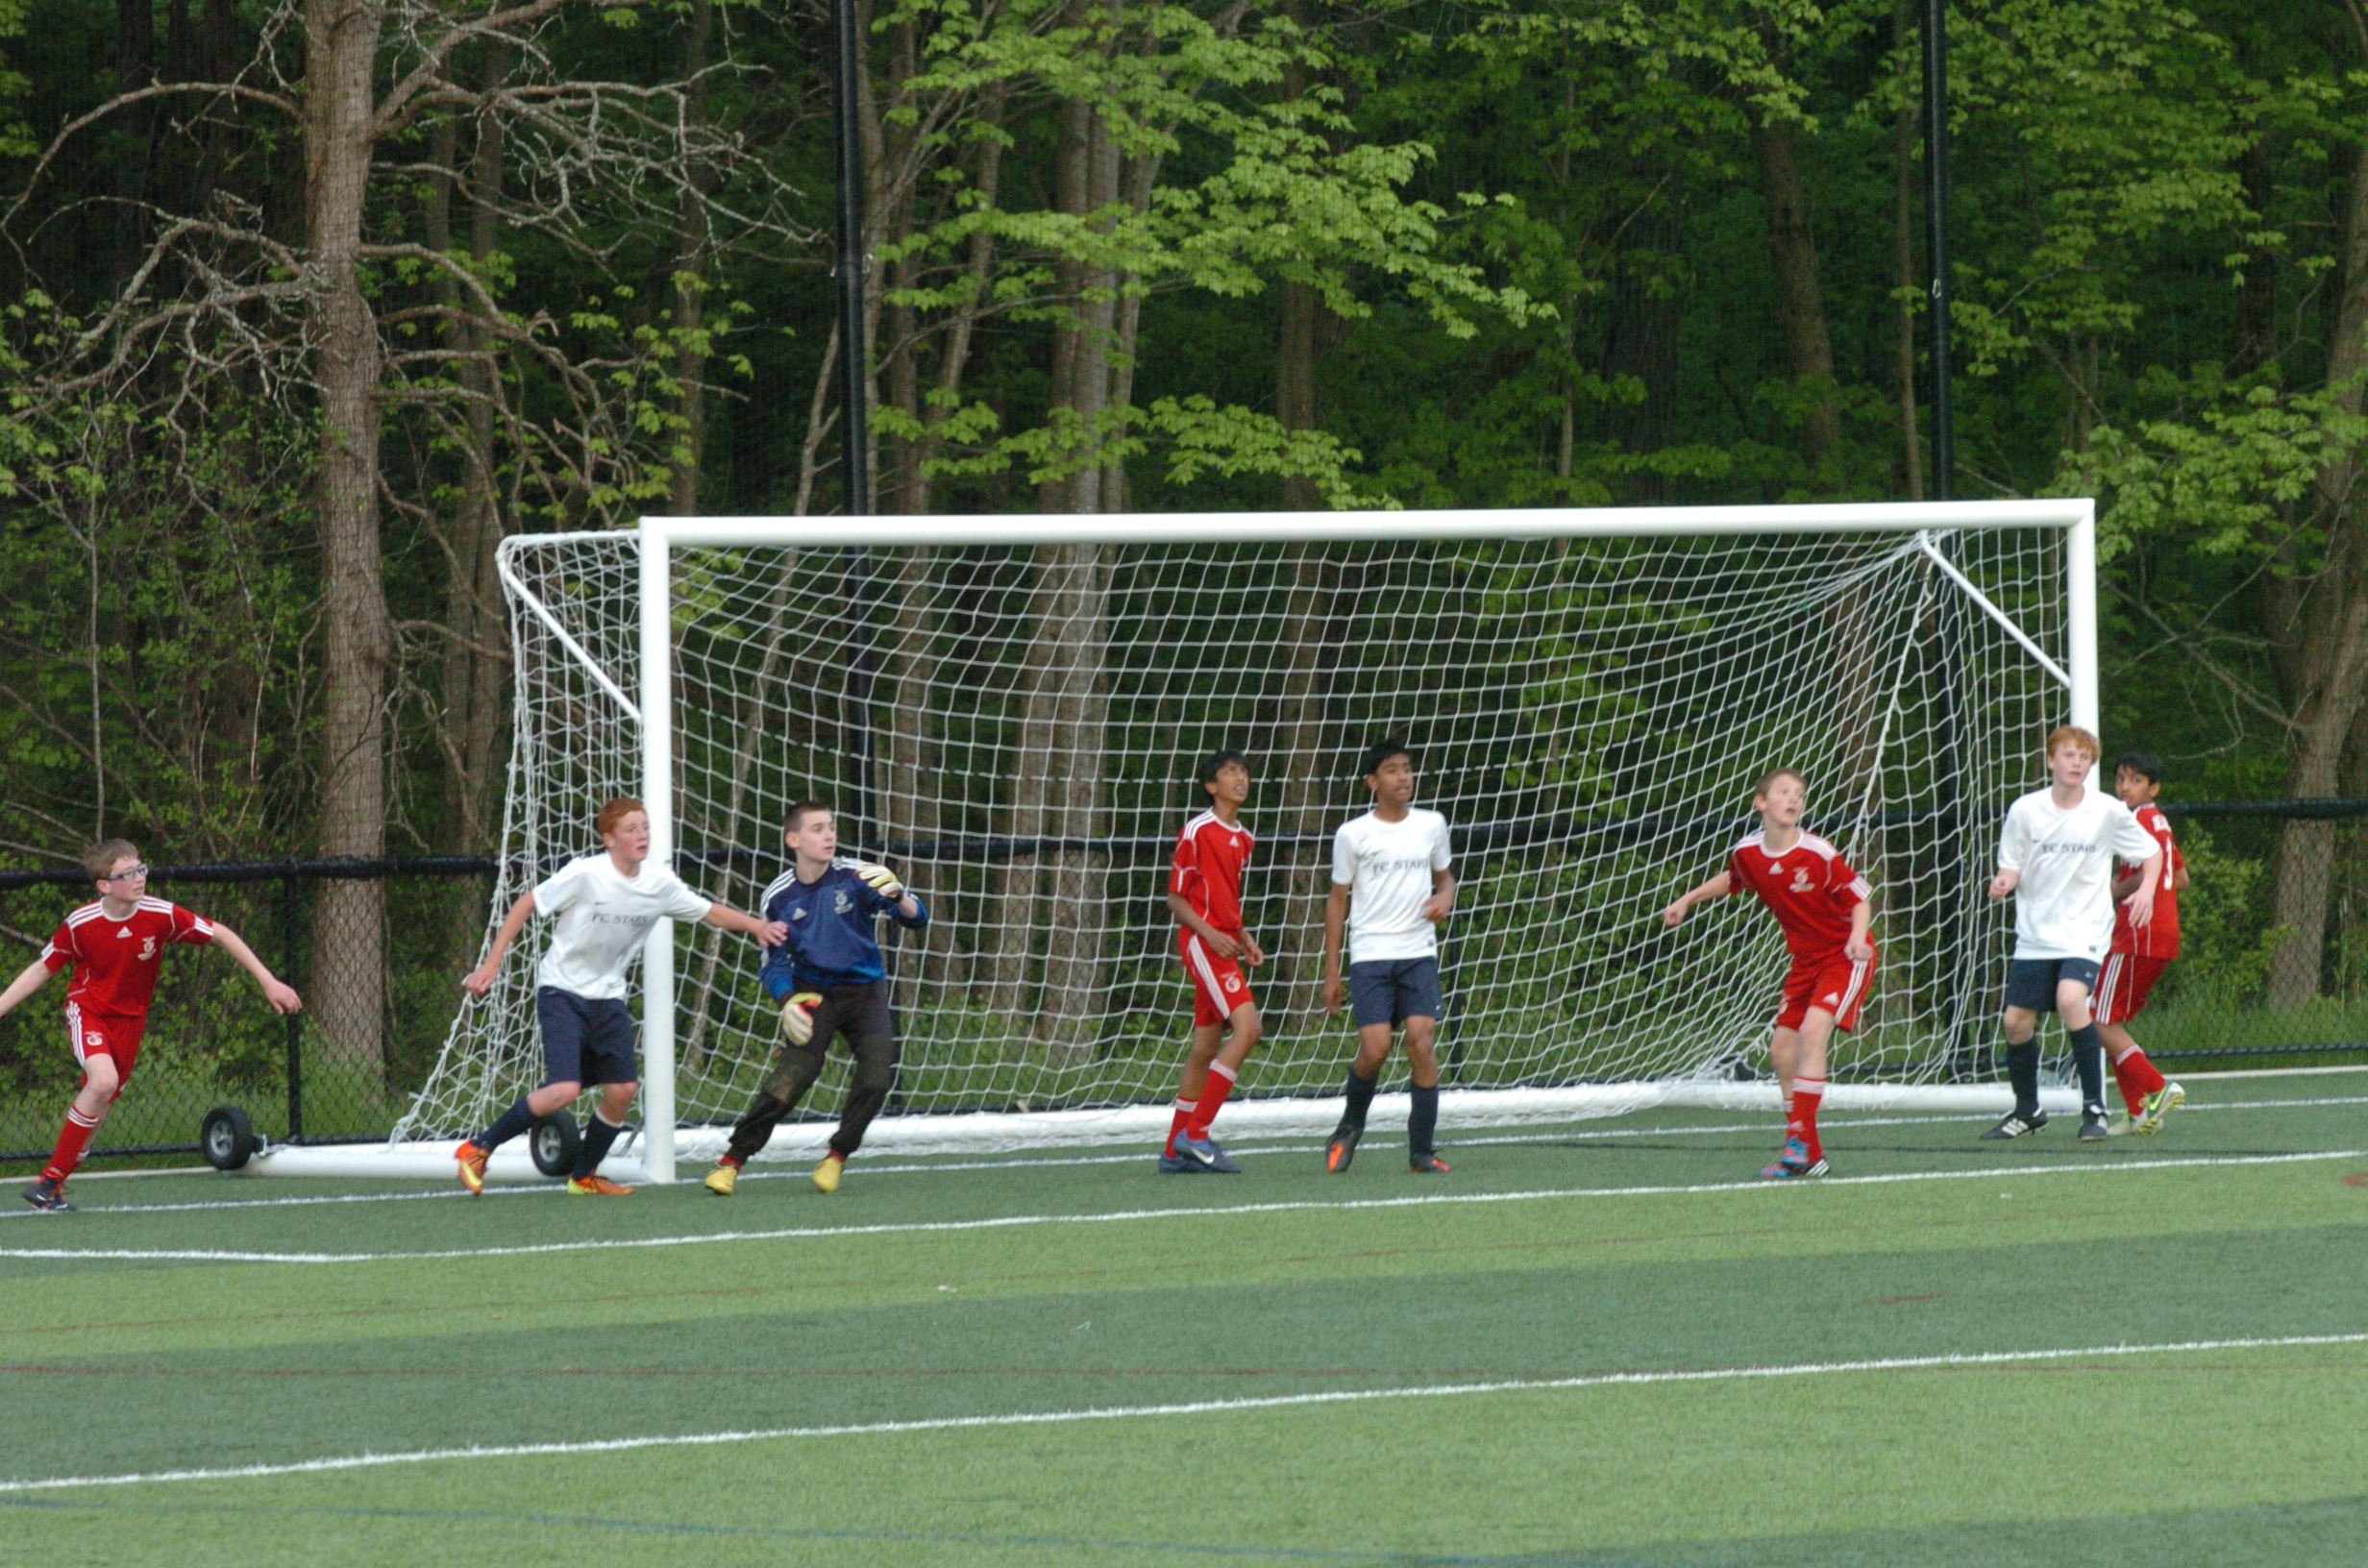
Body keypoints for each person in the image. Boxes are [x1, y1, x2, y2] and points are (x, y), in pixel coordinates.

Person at [456, 797, 783, 1194]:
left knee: (623, 1090)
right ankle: (478, 1148)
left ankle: (583, 1176)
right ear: (609, 839)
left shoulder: (659, 884)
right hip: (562, 990)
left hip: (608, 997)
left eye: (645, 827)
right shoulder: (586, 874)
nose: (642, 835)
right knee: (565, 1089)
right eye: (630, 829)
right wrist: (490, 964)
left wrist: (756, 926)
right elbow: (527, 903)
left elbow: (708, 911)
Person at [0, 841, 302, 1212]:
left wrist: (268, 981)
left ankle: (54, 1185)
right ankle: (47, 1180)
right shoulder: (82, 924)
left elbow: (221, 933)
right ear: (104, 885)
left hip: (131, 1022)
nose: (139, 878)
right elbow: (41, 969)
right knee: (103, 1082)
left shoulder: (160, 914)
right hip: (88, 1012)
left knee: (99, 1107)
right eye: (127, 874)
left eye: (140, 869)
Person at [703, 800, 928, 1196]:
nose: (829, 836)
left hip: (864, 992)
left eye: (832, 827)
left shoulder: (857, 876)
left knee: (878, 1075)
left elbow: (916, 918)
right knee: (791, 1079)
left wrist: (899, 895)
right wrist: (787, 999)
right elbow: (773, 964)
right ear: (794, 840)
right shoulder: (779, 897)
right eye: (818, 829)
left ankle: (837, 1155)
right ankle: (732, 1160)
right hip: (812, 995)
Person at [1662, 768, 1876, 1179]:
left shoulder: (1818, 852)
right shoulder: (1748, 852)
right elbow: (1734, 879)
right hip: (1804, 962)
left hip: (1845, 956)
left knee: (1813, 1033)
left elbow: (1860, 897)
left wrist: (1856, 937)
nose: (1794, 799)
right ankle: (1809, 1153)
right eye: (1783, 792)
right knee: (1780, 1053)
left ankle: (1798, 1143)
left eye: (1799, 794)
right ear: (1761, 802)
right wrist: (1688, 899)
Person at [1983, 725, 2164, 1143]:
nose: (2076, 763)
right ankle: (2028, 1111)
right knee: (2015, 1022)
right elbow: (2012, 863)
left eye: (2084, 758)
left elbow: (2151, 852)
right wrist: (2005, 881)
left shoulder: (2106, 811)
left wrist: (2147, 891)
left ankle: (2094, 1108)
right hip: (2035, 933)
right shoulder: (2025, 810)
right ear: (2051, 761)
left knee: (2070, 999)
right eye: (2068, 755)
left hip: (2085, 930)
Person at [1320, 739, 1457, 1175]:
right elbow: (1337, 899)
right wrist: (1331, 972)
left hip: (1417, 952)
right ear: (1372, 782)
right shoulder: (1353, 834)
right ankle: (1349, 1126)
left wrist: (1445, 897)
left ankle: (1421, 1152)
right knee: (1376, 1049)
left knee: (1422, 1041)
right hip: (1371, 956)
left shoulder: (1431, 824)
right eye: (1392, 770)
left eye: (1407, 769)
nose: (1403, 777)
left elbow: (1446, 879)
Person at [1163, 749, 1266, 1174]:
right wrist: (1210, 934)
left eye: (1244, 772)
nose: (1240, 778)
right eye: (1229, 772)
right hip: (1203, 946)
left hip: (1223, 944)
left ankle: (1173, 1152)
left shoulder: (1244, 839)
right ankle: (1197, 1134)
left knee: (1205, 1047)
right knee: (1249, 1028)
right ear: (1211, 786)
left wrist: (1243, 936)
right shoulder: (1197, 830)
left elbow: (1225, 900)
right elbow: (1176, 899)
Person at [2098, 749, 2187, 1134]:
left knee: (2097, 1019)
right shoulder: (2159, 821)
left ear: (2154, 788)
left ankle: (2157, 1087)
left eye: (2136, 780)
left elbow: (2142, 874)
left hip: (2138, 932)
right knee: (2111, 1020)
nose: (2125, 787)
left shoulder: (2135, 821)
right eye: (2120, 779)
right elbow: (2180, 878)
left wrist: (2109, 890)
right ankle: (2139, 1111)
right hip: (2163, 932)